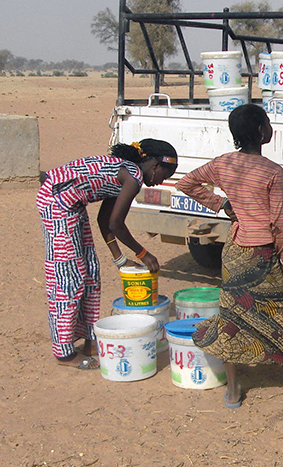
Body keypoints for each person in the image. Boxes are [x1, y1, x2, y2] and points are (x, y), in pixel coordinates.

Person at [175, 104, 283, 408]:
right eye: (267, 122)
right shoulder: (272, 171)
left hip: (234, 252)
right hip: (261, 257)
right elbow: (277, 222)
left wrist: (221, 204)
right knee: (277, 318)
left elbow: (186, 183)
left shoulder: (224, 164)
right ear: (262, 132)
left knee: (231, 317)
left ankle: (234, 391)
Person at [36, 139, 178, 369]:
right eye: (165, 173)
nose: (163, 180)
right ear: (153, 166)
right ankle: (64, 352)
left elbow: (105, 220)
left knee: (90, 274)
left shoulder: (126, 172)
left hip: (72, 206)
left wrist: (120, 260)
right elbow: (116, 224)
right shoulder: (133, 178)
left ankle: (89, 340)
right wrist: (143, 253)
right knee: (68, 278)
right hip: (56, 202)